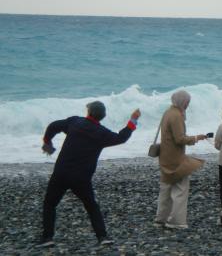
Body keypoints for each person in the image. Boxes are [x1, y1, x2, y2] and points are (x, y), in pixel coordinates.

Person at [37, 101, 141, 248]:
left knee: (50, 204)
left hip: (61, 172)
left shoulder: (75, 122)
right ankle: (102, 237)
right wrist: (133, 120)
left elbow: (53, 126)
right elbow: (121, 138)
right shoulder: (102, 133)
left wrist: (47, 142)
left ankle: (47, 237)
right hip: (81, 177)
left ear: (88, 111)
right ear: (102, 116)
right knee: (91, 206)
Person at [155, 90, 207, 229]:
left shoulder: (167, 112)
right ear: (183, 102)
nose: (188, 105)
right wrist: (196, 138)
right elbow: (179, 139)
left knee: (165, 187)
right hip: (175, 157)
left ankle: (161, 218)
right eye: (187, 102)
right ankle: (176, 221)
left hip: (165, 155)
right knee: (180, 189)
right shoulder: (177, 115)